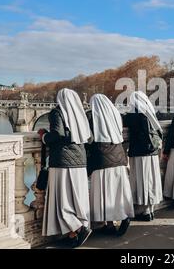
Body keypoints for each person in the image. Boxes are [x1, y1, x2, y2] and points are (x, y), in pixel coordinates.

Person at [39, 88, 92, 248]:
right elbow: (88, 139)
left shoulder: (57, 112)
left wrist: (43, 136)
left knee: (62, 200)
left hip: (62, 162)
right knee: (76, 198)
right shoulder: (79, 114)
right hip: (80, 162)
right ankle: (73, 234)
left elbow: (57, 134)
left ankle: (77, 229)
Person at [85, 94, 134, 236]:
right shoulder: (115, 114)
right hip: (119, 156)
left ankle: (108, 224)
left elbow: (88, 138)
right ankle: (122, 216)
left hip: (101, 158)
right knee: (117, 192)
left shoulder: (91, 116)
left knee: (104, 193)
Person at [123, 91, 163, 221]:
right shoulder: (149, 112)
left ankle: (143, 211)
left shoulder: (135, 114)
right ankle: (150, 210)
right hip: (152, 151)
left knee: (142, 181)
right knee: (151, 181)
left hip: (140, 153)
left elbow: (124, 120)